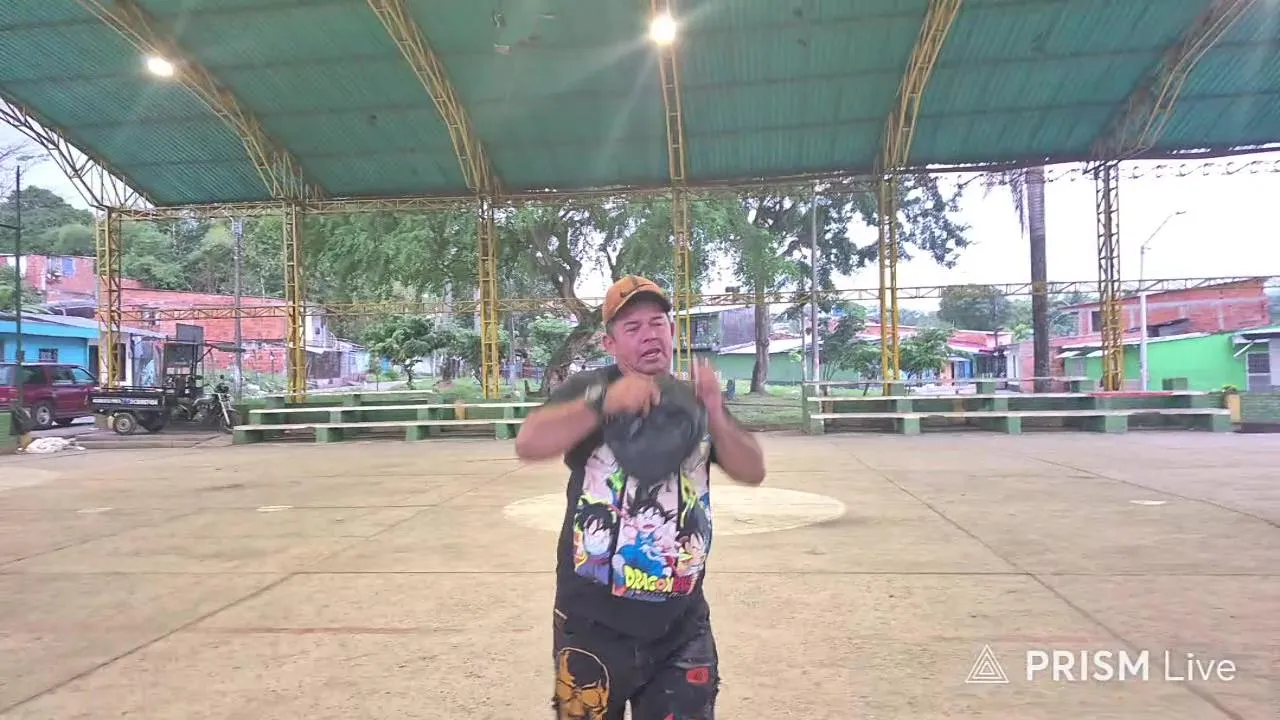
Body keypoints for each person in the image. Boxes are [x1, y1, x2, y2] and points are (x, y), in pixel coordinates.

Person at [516, 274, 767, 720]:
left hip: (681, 623)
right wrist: (605, 403)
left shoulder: (693, 400)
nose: (649, 335)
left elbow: (752, 469)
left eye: (657, 323)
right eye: (632, 327)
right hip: (590, 624)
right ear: (610, 343)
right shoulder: (589, 389)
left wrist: (714, 413)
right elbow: (530, 443)